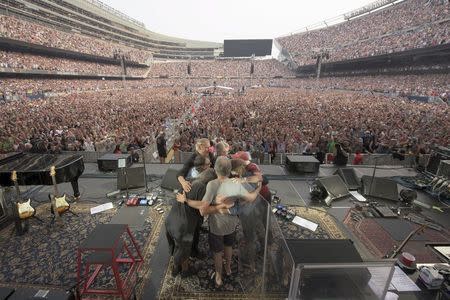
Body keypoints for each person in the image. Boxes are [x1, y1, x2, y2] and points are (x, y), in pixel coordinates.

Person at [166, 156, 216, 277]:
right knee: (184, 249)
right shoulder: (203, 188)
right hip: (184, 225)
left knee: (180, 246)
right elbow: (204, 209)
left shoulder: (189, 180)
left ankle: (182, 268)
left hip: (171, 220)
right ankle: (179, 268)